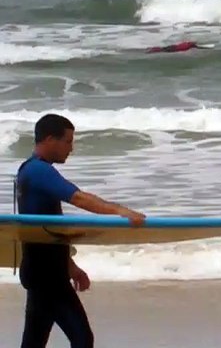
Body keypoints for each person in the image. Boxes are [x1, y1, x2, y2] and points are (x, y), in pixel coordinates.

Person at [15, 113, 146, 348]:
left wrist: (70, 266)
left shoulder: (30, 169)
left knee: (35, 343)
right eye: (67, 141)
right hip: (46, 275)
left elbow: (47, 231)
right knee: (82, 339)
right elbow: (77, 197)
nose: (71, 148)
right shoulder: (38, 171)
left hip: (41, 270)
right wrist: (119, 210)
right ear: (49, 139)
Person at [144, 41, 209, 54]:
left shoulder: (187, 43)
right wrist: (207, 47)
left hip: (173, 46)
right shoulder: (191, 45)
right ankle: (150, 51)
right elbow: (199, 47)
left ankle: (151, 48)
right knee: (162, 50)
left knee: (162, 49)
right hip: (174, 49)